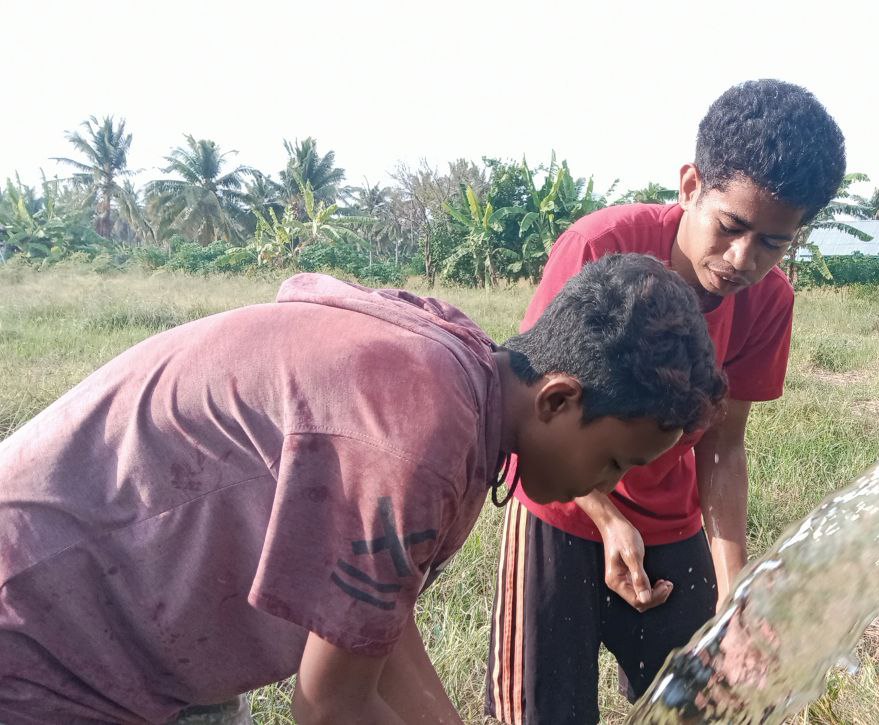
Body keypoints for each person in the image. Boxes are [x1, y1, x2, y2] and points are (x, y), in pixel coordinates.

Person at [0, 253, 725, 725]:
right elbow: (329, 707)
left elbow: (372, 619)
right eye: (613, 463)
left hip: (141, 624)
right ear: (558, 400)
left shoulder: (460, 372)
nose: (610, 487)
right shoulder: (422, 436)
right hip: (43, 629)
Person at [486, 78, 847, 723]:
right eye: (731, 226)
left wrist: (734, 591)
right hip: (560, 507)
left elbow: (723, 444)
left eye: (773, 242)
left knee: (704, 704)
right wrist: (604, 515)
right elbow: (534, 410)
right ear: (690, 187)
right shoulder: (601, 247)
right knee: (543, 711)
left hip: (670, 525)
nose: (743, 259)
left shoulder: (769, 304)